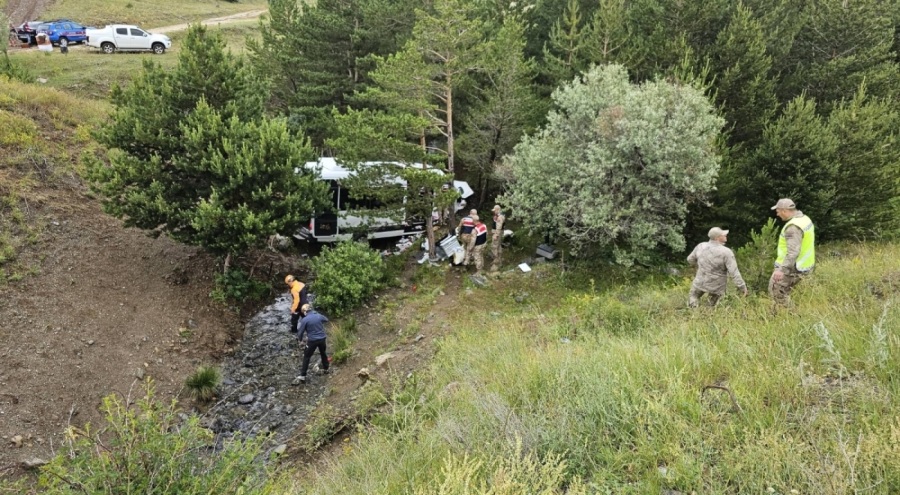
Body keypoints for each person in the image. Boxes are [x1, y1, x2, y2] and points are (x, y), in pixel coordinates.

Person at [687, 227, 748, 308]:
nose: (726, 235)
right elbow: (734, 272)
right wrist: (742, 286)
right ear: (717, 238)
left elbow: (690, 260)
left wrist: (701, 265)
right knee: (711, 306)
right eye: (723, 235)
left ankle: (694, 314)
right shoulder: (726, 252)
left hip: (700, 281)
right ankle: (707, 316)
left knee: (693, 296)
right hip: (716, 286)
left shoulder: (701, 246)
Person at [769, 198, 815, 304]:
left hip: (792, 268)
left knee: (777, 292)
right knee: (798, 296)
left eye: (778, 211)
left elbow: (793, 252)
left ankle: (788, 315)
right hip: (806, 266)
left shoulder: (792, 228)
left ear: (784, 211)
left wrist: (782, 270)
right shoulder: (805, 219)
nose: (777, 214)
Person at [294, 304, 330, 384]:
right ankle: (326, 369)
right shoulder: (318, 315)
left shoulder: (305, 319)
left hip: (312, 341)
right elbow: (326, 319)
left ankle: (302, 375)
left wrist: (299, 340)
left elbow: (300, 332)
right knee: (323, 353)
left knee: (306, 356)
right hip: (322, 338)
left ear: (304, 311)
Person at [490, 205, 505, 272]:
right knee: (498, 246)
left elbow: (499, 226)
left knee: (494, 246)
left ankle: (496, 260)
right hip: (497, 232)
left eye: (494, 210)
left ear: (497, 210)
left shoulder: (500, 217)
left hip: (497, 233)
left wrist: (496, 235)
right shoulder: (499, 215)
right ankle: (499, 259)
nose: (494, 212)